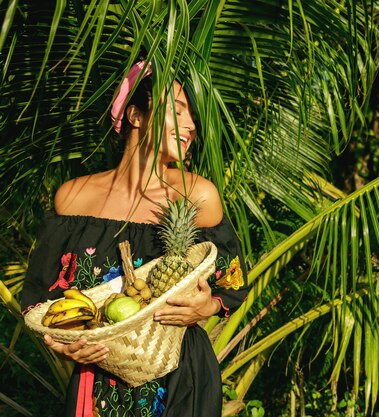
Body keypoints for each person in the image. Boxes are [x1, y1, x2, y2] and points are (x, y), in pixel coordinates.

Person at [20, 60, 248, 417]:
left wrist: (210, 306)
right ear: (134, 116)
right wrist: (62, 346)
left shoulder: (195, 197)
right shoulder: (73, 198)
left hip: (180, 381)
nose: (190, 126)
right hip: (96, 383)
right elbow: (39, 300)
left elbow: (232, 281)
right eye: (178, 110)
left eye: (193, 118)